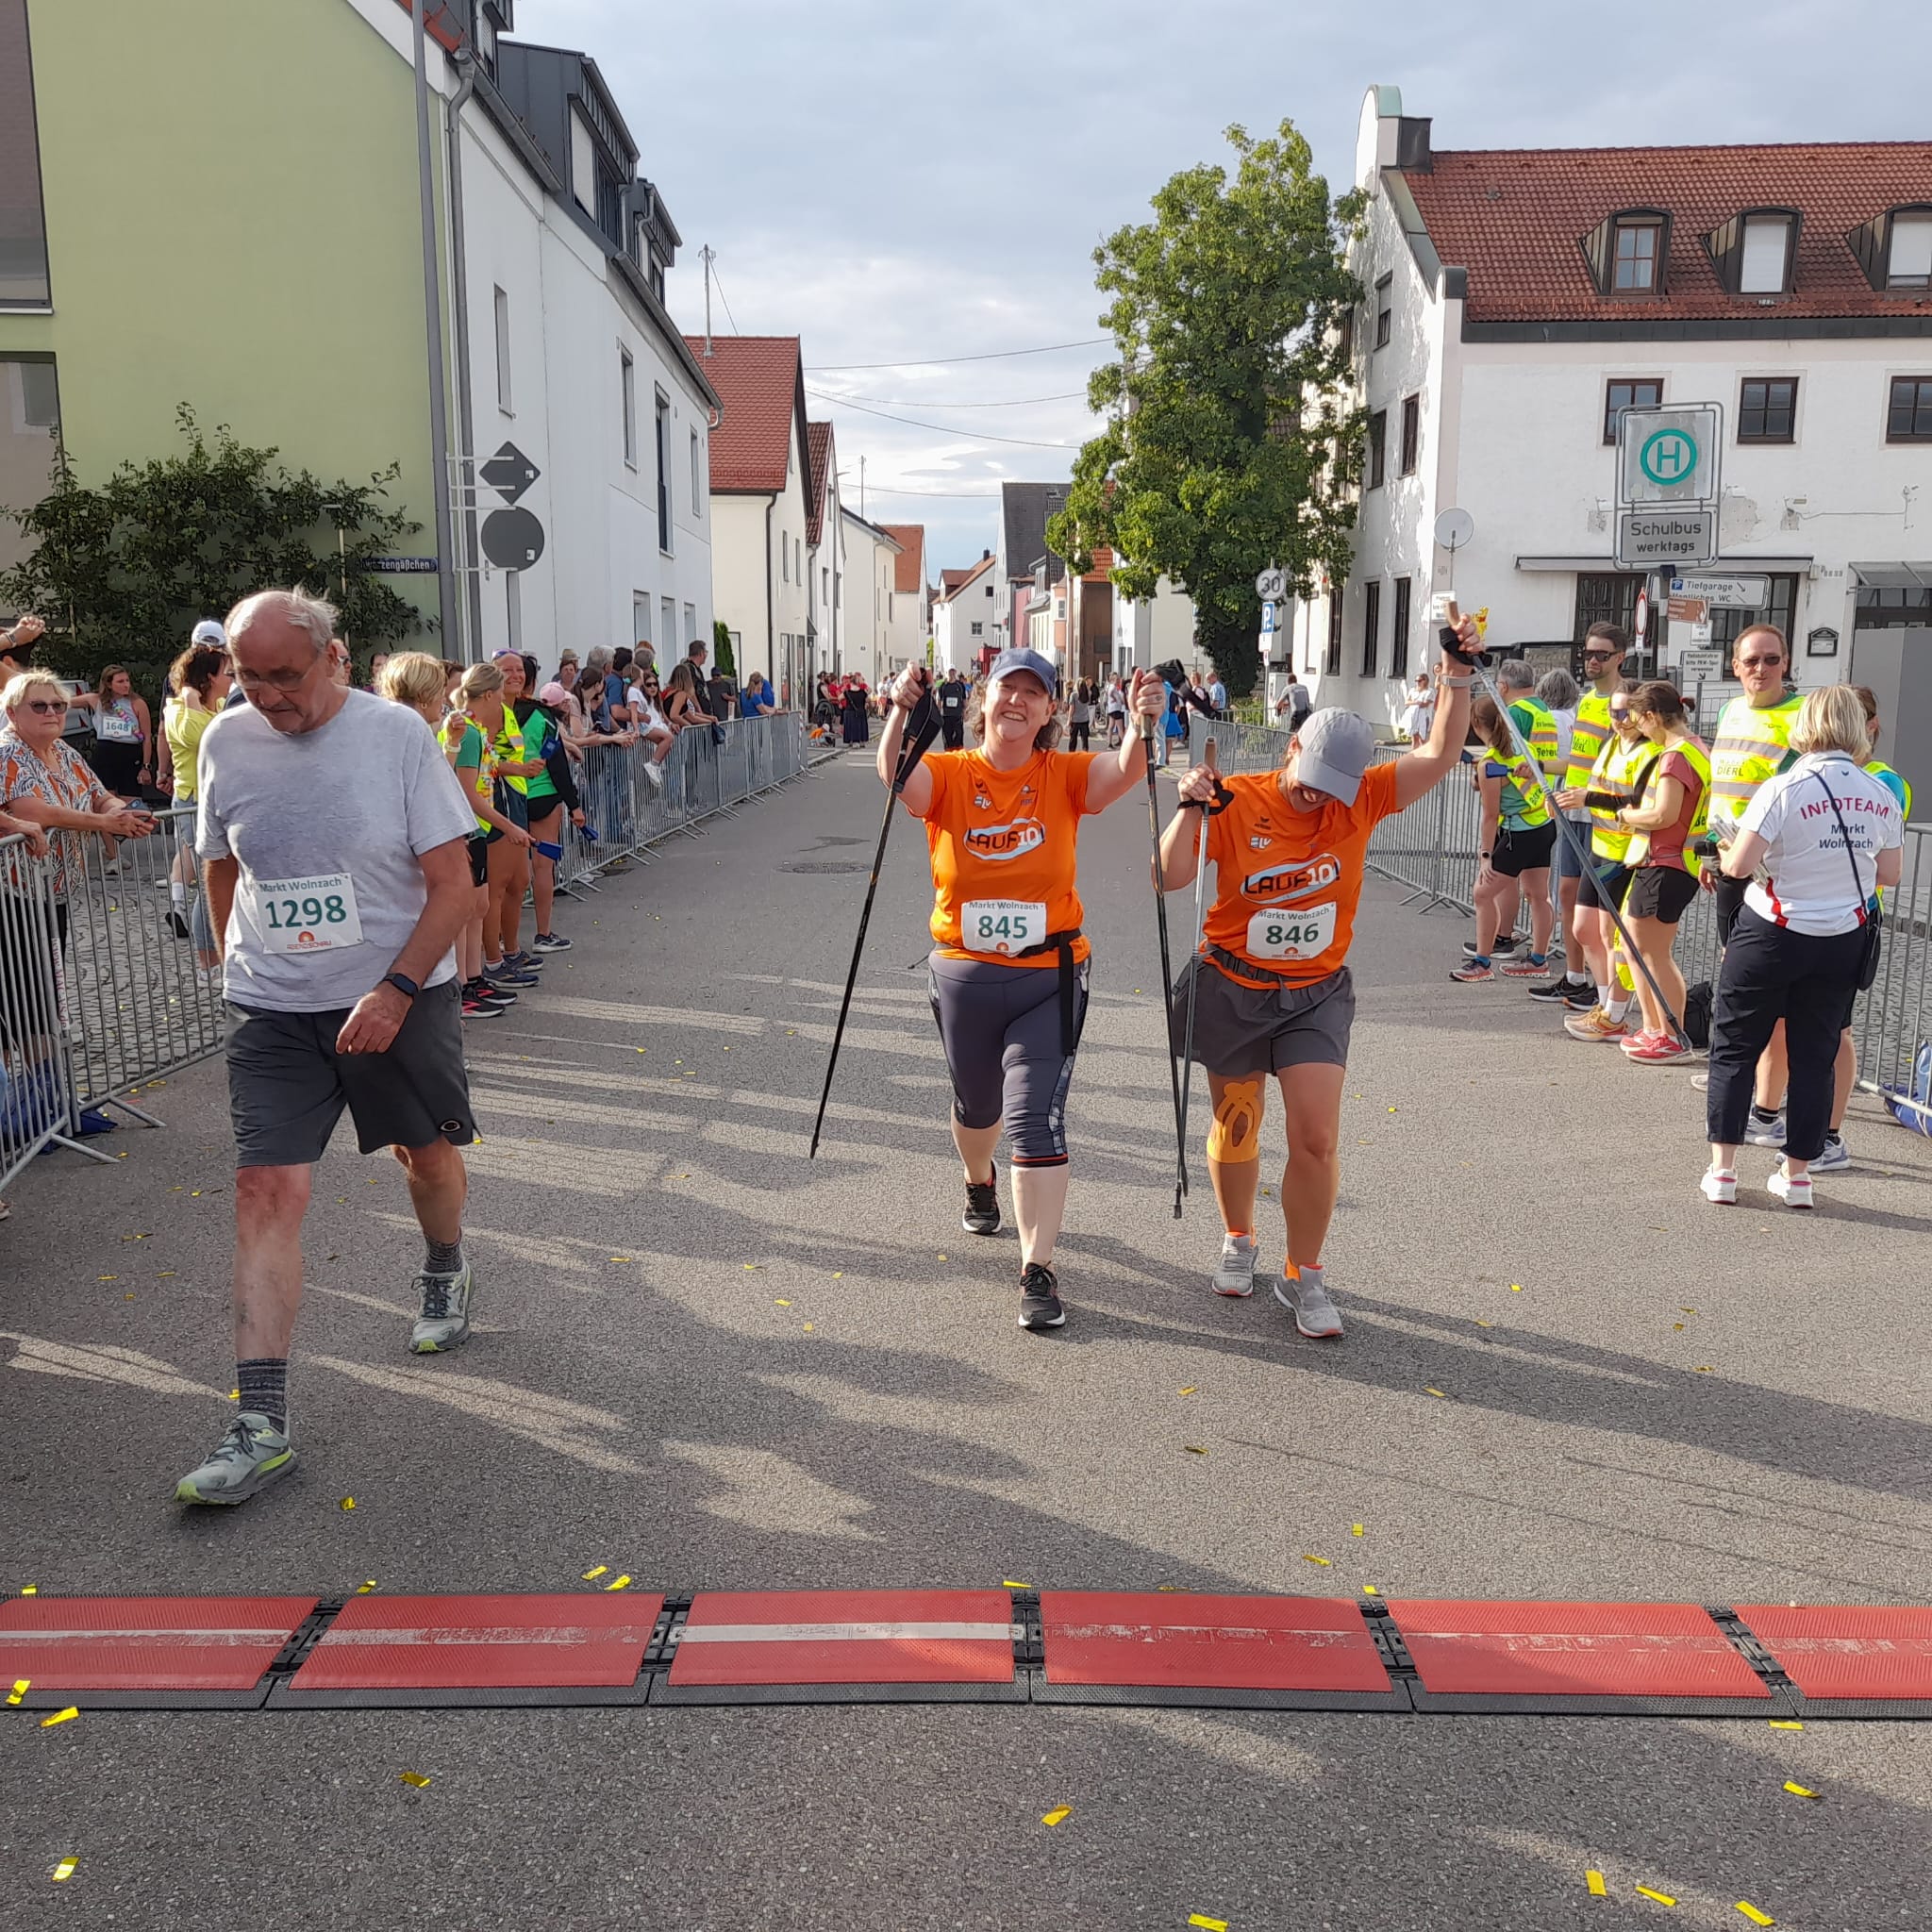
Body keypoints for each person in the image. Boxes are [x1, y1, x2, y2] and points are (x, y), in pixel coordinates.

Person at [175, 588, 480, 1507]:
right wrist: (230, 948)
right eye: (249, 674)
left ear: (333, 658)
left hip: (398, 993)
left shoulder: (394, 736)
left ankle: (443, 1266)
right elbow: (222, 856)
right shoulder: (228, 740)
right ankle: (259, 1422)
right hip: (276, 1006)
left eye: (284, 674)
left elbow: (452, 883)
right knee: (267, 1186)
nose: (265, 693)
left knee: (421, 1154)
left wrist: (392, 990)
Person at [1158, 611, 1481, 1332]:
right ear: (1291, 747)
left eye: (1333, 786)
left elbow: (1439, 750)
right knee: (1236, 1123)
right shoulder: (1239, 798)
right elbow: (1167, 877)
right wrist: (1187, 809)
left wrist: (1457, 674)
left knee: (1316, 1138)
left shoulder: (1364, 798)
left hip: (1315, 993)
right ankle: (1239, 1239)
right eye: (1308, 779)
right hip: (1234, 983)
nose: (1317, 796)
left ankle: (1304, 1273)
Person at [882, 648, 1166, 1331]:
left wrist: (1140, 723)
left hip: (1052, 973)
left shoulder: (1061, 774)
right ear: (986, 699)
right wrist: (896, 710)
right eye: (1008, 689)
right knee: (977, 1110)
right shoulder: (950, 773)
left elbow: (1123, 772)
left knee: (1035, 1120)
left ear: (1049, 711)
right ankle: (979, 1182)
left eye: (1032, 694)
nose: (1018, 702)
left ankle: (1037, 1267)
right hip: (965, 971)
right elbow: (898, 778)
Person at [1702, 686, 1903, 1211]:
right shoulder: (1880, 791)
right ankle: (1798, 1177)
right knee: (1817, 1055)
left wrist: (1726, 849)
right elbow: (1891, 873)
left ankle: (1723, 1171)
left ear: (1806, 726)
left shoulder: (1783, 786)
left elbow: (1739, 867)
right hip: (1841, 936)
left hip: (1773, 929)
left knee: (1736, 1047)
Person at [1610, 681, 1709, 1064]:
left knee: (1653, 952)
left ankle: (1671, 1033)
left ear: (1651, 717)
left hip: (1668, 861)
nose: (1637, 728)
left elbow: (1663, 814)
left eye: (1637, 719)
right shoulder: (1694, 748)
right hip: (1669, 861)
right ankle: (1656, 1028)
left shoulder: (1675, 756)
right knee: (1639, 948)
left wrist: (1627, 816)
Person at [1558, 684, 1652, 1041]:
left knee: (1612, 935)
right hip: (1601, 844)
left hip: (1627, 851)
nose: (1621, 720)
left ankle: (1615, 1012)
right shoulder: (1611, 743)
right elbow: (1592, 784)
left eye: (1627, 712)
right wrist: (1569, 798)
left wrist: (1589, 797)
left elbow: (1639, 799)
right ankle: (1605, 1006)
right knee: (1584, 929)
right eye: (1614, 713)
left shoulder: (1649, 751)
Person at [1450, 695, 1556, 982]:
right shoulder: (1525, 747)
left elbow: (1490, 814)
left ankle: (1482, 962)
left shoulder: (1491, 763)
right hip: (1542, 826)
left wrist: (1485, 856)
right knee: (1538, 895)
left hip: (1518, 834)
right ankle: (1538, 960)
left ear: (1476, 724)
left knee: (1482, 893)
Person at [1523, 667, 1594, 1008]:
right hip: (1569, 810)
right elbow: (1573, 762)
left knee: (1593, 906)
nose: (1593, 661)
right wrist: (1541, 768)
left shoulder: (1602, 709)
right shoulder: (1584, 708)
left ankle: (1606, 989)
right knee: (1567, 896)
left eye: (1601, 655)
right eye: (1590, 655)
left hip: (1596, 815)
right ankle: (1575, 975)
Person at [158, 638, 234, 943]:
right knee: (209, 880)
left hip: (216, 797)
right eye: (227, 673)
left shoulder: (217, 705)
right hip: (193, 798)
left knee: (216, 875)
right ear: (209, 678)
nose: (232, 679)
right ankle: (207, 958)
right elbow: (202, 739)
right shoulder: (178, 708)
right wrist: (190, 700)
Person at [481, 651, 547, 989]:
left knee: (519, 880)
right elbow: (483, 758)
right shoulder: (491, 711)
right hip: (500, 798)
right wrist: (518, 769)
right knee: (499, 884)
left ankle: (510, 949)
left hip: (516, 795)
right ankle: (493, 960)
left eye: (519, 670)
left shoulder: (507, 711)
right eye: (507, 670)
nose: (515, 675)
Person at [76, 664, 156, 800]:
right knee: (107, 800)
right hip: (105, 753)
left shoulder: (137, 703)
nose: (126, 685)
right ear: (108, 684)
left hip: (130, 754)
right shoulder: (96, 700)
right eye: (120, 682)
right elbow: (64, 702)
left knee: (131, 801)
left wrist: (146, 766)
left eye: (127, 681)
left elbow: (147, 737)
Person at [936, 667, 970, 751]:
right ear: (946, 673)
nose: (952, 673)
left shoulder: (960, 685)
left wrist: (965, 712)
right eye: (950, 671)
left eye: (953, 671)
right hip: (946, 716)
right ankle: (949, 755)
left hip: (957, 715)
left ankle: (958, 755)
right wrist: (937, 714)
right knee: (947, 738)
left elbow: (964, 700)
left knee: (959, 736)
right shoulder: (942, 686)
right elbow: (938, 701)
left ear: (955, 672)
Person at [1399, 670, 1434, 747]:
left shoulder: (1429, 691)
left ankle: (1424, 756)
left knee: (1422, 738)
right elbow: (1406, 702)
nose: (1417, 682)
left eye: (1419, 680)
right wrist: (1416, 702)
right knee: (1414, 738)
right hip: (1413, 716)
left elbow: (1425, 704)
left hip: (1424, 716)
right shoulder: (1412, 690)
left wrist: (1415, 702)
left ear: (1425, 681)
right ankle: (1414, 755)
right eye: (1416, 681)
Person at [841, 675, 871, 746]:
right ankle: (862, 741)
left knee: (850, 727)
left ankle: (851, 741)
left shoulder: (847, 692)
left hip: (849, 711)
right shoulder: (863, 692)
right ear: (858, 683)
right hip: (860, 711)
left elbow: (839, 698)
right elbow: (868, 700)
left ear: (851, 682)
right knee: (861, 726)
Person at [1068, 678, 1094, 752]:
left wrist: (1069, 719)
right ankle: (1085, 753)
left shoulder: (1073, 695)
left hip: (1075, 720)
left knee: (1073, 738)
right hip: (1085, 719)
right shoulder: (1088, 693)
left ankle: (1071, 753)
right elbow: (1088, 704)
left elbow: (1071, 709)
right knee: (1084, 739)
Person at [1103, 674, 1127, 749]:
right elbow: (1110, 693)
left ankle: (1109, 743)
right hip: (1116, 708)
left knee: (1111, 726)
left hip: (1112, 709)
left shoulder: (1111, 687)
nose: (1118, 681)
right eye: (1117, 679)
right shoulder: (1113, 686)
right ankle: (1124, 744)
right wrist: (1115, 699)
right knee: (1120, 727)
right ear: (1113, 680)